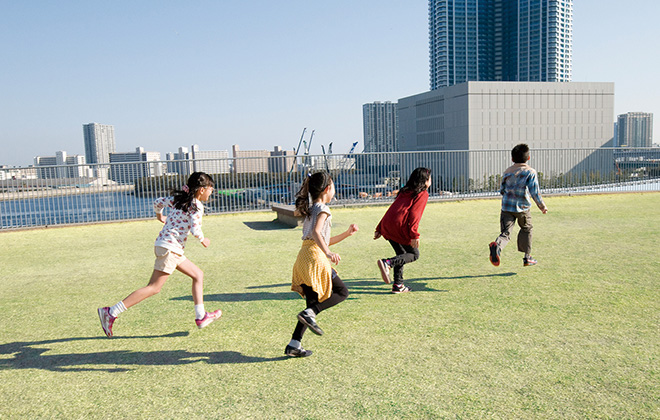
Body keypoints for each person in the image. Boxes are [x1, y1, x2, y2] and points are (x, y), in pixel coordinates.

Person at [97, 172, 222, 337]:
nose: (211, 192)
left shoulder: (180, 200)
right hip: (170, 249)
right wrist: (202, 239)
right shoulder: (196, 205)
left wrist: (159, 216)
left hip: (167, 247)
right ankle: (111, 312)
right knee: (154, 288)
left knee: (198, 274)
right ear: (201, 190)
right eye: (210, 190)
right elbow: (195, 227)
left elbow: (158, 202)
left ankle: (201, 316)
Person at [285, 172, 359, 357]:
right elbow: (318, 234)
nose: (334, 190)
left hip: (303, 257)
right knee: (342, 292)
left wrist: (346, 234)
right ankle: (312, 313)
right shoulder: (324, 209)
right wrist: (328, 253)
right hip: (315, 257)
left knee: (309, 307)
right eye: (333, 187)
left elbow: (321, 238)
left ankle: (294, 344)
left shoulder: (312, 209)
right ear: (327, 189)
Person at [489, 143, 548, 267]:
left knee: (505, 233)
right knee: (526, 229)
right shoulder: (530, 172)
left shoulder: (507, 172)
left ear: (512, 159)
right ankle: (527, 258)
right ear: (528, 158)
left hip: (506, 207)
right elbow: (534, 192)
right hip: (522, 208)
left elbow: (502, 190)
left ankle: (497, 247)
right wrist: (542, 206)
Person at [374, 167, 432, 293]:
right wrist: (414, 235)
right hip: (399, 227)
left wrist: (379, 227)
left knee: (401, 254)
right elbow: (414, 215)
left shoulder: (405, 191)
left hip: (388, 225)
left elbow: (393, 209)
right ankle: (387, 263)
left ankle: (398, 285)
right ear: (425, 180)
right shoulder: (422, 194)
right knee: (414, 254)